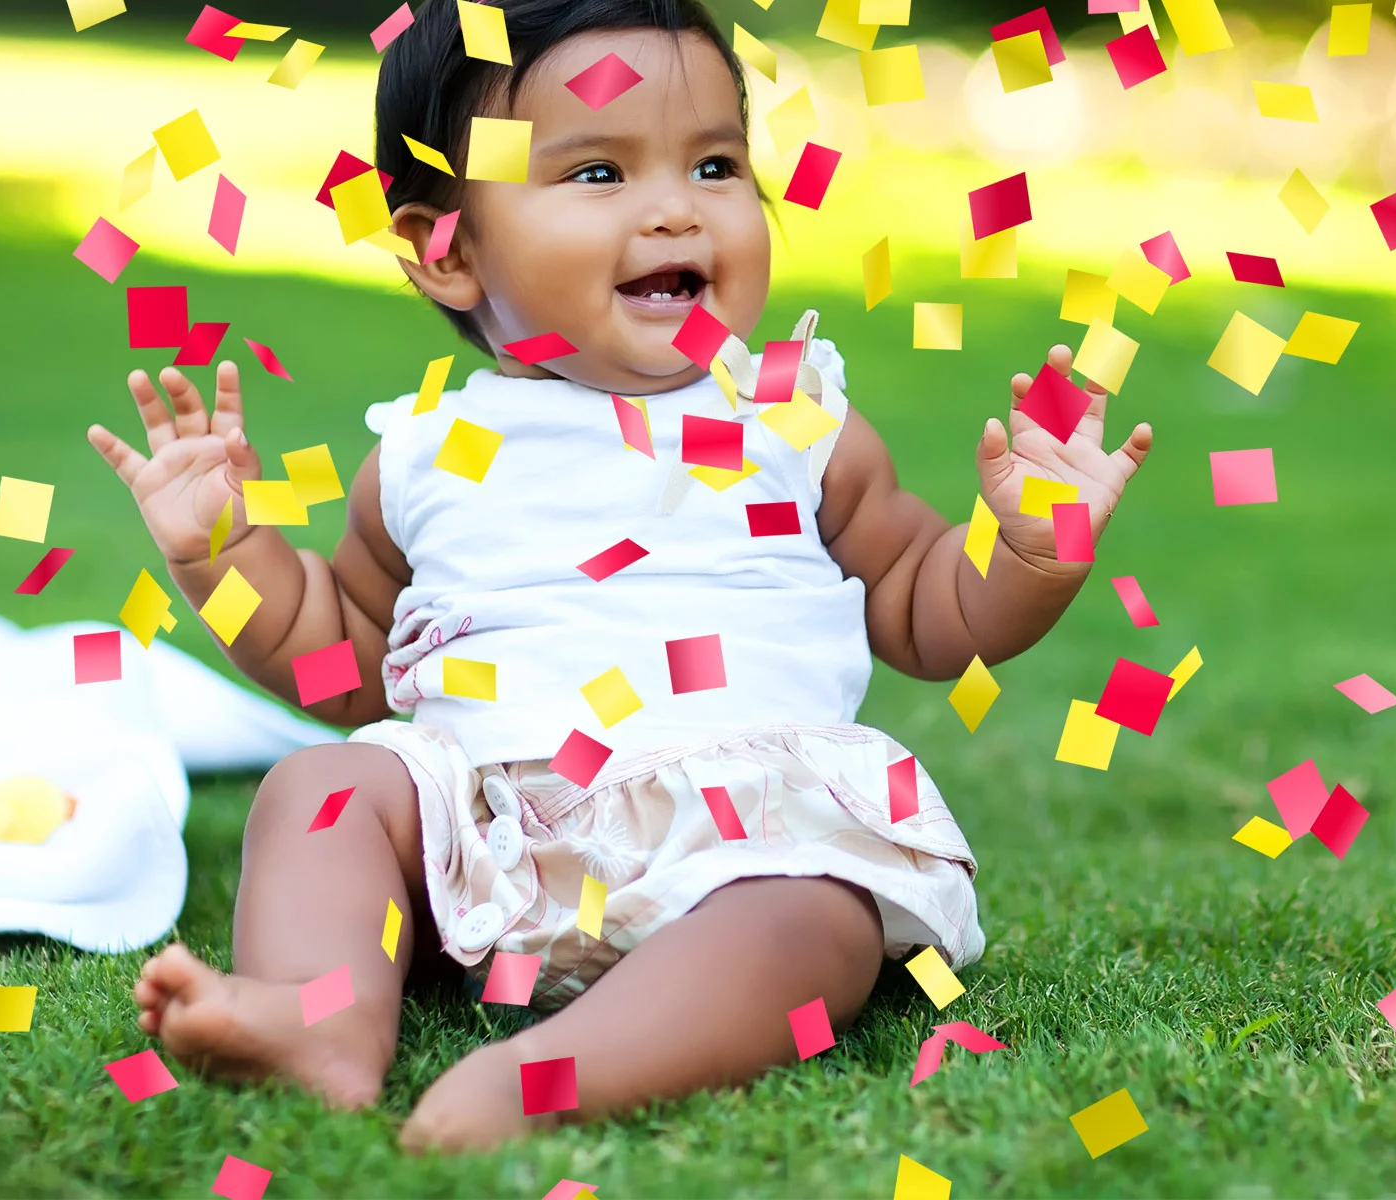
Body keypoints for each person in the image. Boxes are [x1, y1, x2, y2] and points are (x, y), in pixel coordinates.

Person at [85, 0, 1153, 1153]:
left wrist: (1029, 550)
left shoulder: (793, 418)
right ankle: (319, 1019)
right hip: (488, 830)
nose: (672, 207)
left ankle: (550, 1075)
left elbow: (926, 610)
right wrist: (223, 554)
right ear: (446, 248)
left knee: (821, 924)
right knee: (324, 788)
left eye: (714, 162)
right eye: (597, 170)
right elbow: (341, 664)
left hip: (743, 836)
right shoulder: (425, 452)